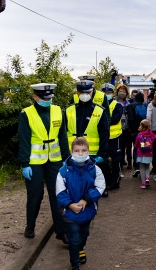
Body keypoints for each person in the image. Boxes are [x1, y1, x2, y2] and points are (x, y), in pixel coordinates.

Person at [18, 83, 70, 244]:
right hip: (34, 162)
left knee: (58, 195)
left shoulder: (58, 111)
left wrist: (66, 160)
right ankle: (30, 226)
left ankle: (61, 231)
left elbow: (63, 137)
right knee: (36, 195)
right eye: (44, 98)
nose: (48, 100)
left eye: (50, 98)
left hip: (55, 161)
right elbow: (24, 140)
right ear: (35, 97)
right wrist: (24, 163)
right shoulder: (27, 114)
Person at [56, 137, 105, 270]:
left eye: (84, 150)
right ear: (71, 152)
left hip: (87, 210)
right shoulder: (63, 172)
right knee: (74, 238)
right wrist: (70, 205)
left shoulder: (95, 170)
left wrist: (86, 200)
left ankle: (81, 248)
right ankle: (75, 264)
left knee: (84, 234)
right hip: (70, 212)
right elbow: (60, 192)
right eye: (77, 151)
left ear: (88, 151)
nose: (80, 153)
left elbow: (100, 187)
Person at [65, 80, 110, 197]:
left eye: (88, 92)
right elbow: (63, 133)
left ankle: (89, 204)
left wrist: (102, 153)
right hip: (73, 153)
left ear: (92, 93)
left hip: (92, 154)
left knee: (90, 181)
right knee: (73, 181)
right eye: (81, 92)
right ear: (77, 93)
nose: (85, 95)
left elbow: (105, 134)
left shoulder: (99, 111)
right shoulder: (69, 110)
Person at [102, 83, 124, 190]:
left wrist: (102, 120)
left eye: (109, 93)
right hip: (103, 138)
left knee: (116, 160)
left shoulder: (117, 105)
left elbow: (115, 119)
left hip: (115, 137)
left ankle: (115, 182)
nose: (107, 95)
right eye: (105, 93)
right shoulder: (98, 105)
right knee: (104, 161)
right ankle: (106, 181)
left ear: (112, 93)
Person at [125, 92, 147, 177]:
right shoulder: (145, 105)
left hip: (134, 132)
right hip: (144, 131)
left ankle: (137, 167)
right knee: (143, 148)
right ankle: (143, 167)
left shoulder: (130, 106)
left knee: (135, 148)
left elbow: (130, 119)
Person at [133, 120, 156, 189]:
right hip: (149, 153)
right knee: (147, 167)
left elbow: (136, 144)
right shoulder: (151, 134)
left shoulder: (139, 135)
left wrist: (137, 147)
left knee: (142, 168)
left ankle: (143, 183)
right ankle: (147, 178)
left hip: (141, 153)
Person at [114, 84, 132, 169]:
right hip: (117, 128)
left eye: (124, 91)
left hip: (127, 127)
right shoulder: (114, 102)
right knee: (120, 147)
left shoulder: (129, 102)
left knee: (129, 146)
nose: (122, 92)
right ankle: (120, 163)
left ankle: (129, 162)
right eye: (120, 90)